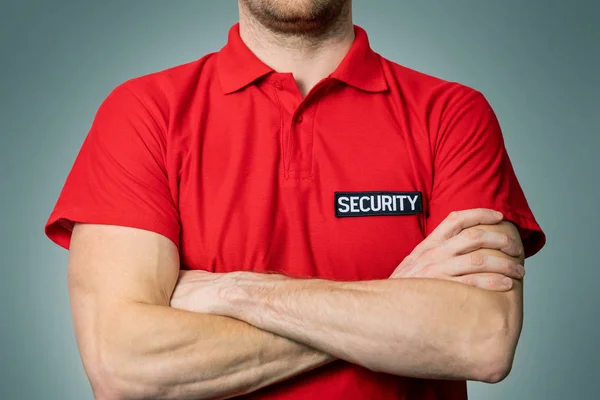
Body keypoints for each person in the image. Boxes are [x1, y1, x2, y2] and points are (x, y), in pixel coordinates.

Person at [44, 1, 546, 399]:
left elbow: (481, 340)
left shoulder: (453, 115)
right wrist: (394, 302)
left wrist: (234, 293)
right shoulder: (143, 114)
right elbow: (125, 367)